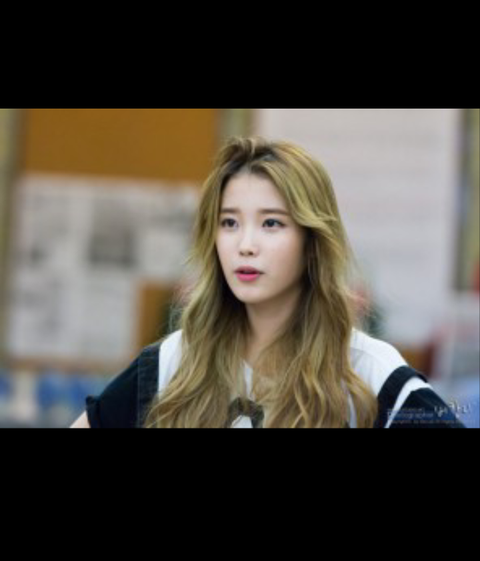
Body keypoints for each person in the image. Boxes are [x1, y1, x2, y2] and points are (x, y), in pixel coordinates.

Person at [71, 136, 464, 429]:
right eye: (229, 223)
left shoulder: (369, 373)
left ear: (312, 241)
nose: (245, 244)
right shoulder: (172, 364)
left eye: (271, 223)